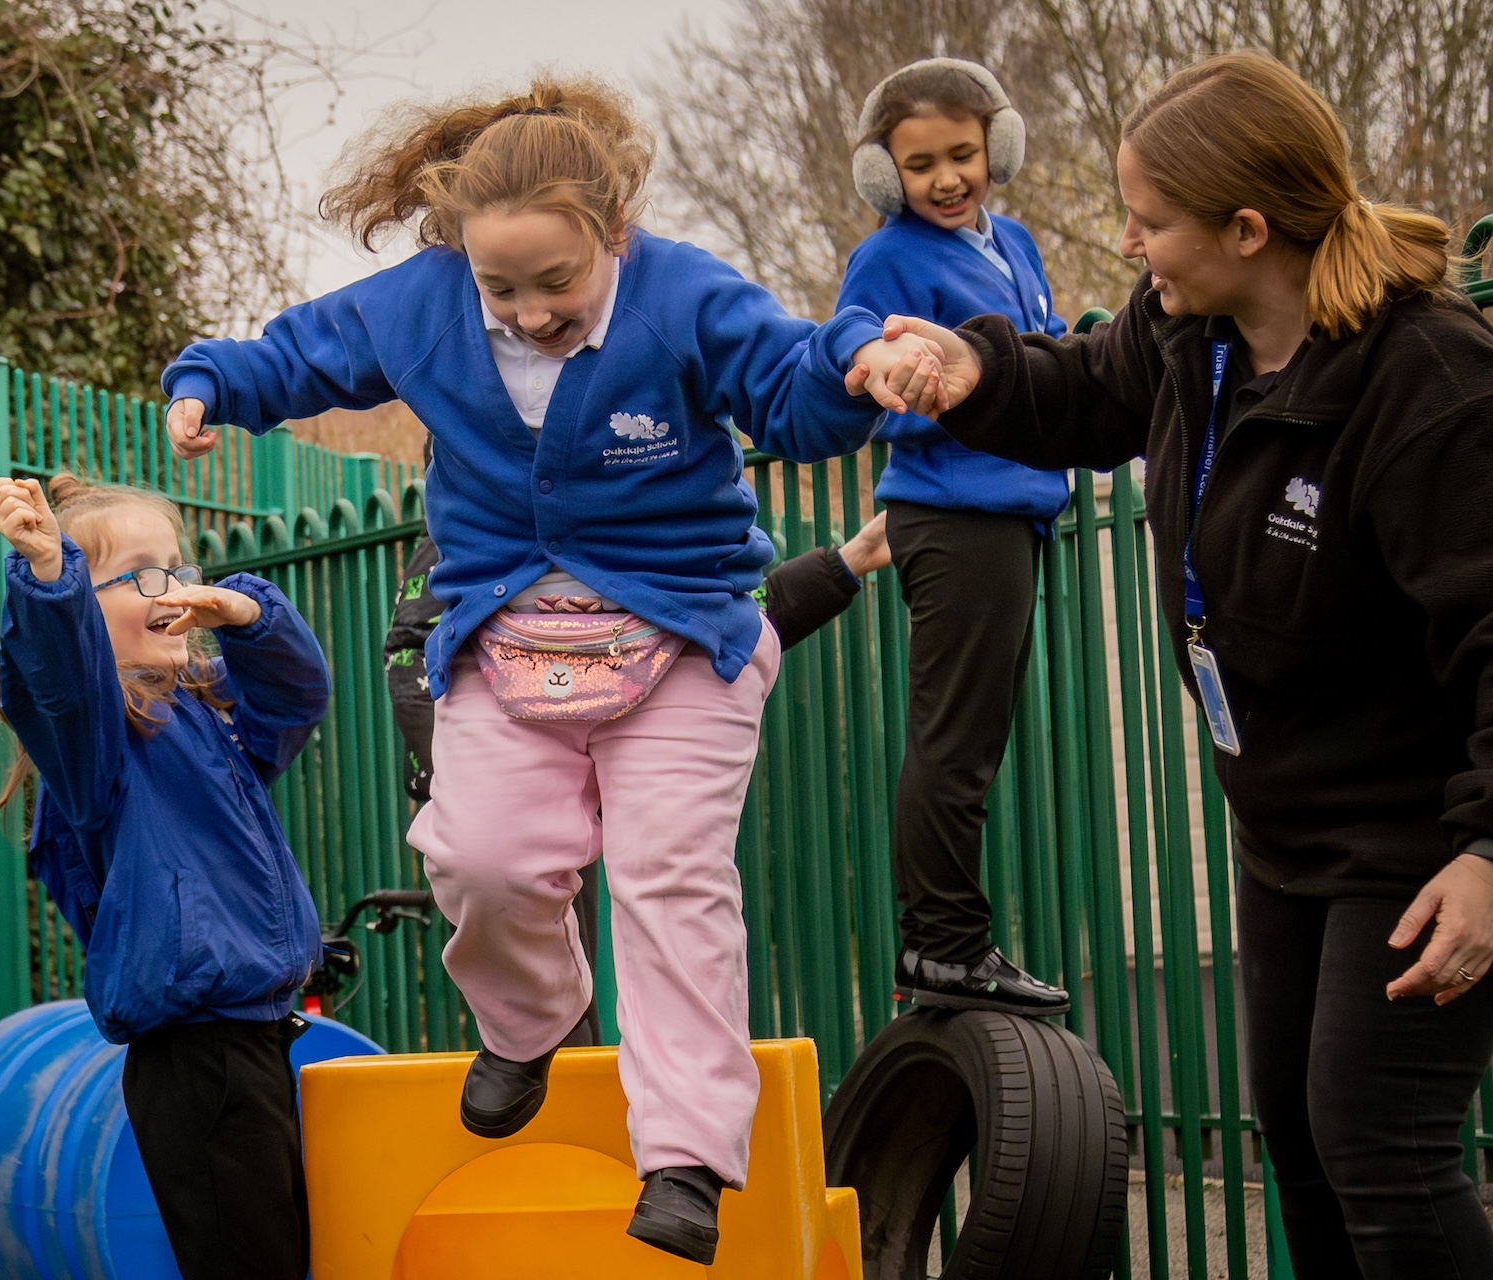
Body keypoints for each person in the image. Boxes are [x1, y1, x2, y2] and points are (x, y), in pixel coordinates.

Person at [159, 77, 936, 1264]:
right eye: (498, 288)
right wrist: (211, 381)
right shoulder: (428, 305)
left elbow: (788, 386)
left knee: (668, 876)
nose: (525, 313)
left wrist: (857, 364)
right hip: (504, 634)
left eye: (555, 284)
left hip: (683, 633)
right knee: (480, 856)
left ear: (612, 232)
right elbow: (311, 351)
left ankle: (685, 1151)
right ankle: (528, 1018)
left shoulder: (681, 294)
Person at [858, 51, 1493, 1278]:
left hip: (1421, 838)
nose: (1134, 244)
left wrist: (1486, 851)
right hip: (1286, 824)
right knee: (1304, 1142)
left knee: (1385, 1149)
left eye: (1151, 221)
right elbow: (1085, 387)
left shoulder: (1429, 378)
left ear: (1248, 228)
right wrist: (973, 369)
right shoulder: (1190, 333)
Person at [0, 473, 331, 1280]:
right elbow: (62, 681)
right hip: (195, 1057)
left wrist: (247, 612)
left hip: (255, 1036)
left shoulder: (207, 720)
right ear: (84, 618)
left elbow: (298, 698)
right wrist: (47, 575)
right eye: (141, 575)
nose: (173, 589)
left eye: (177, 567)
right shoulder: (97, 747)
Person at [383, 506, 894, 1048]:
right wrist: (479, 785)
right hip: (520, 805)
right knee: (541, 998)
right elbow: (413, 651)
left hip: (604, 798)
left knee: (661, 953)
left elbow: (701, 625)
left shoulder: (625, 510)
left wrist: (845, 563)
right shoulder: (474, 529)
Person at [837, 57, 1072, 1017]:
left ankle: (951, 943)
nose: (945, 178)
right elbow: (860, 342)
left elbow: (1047, 348)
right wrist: (900, 364)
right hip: (953, 515)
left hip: (1011, 512)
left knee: (976, 739)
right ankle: (943, 947)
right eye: (921, 163)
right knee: (954, 743)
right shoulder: (886, 256)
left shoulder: (1012, 238)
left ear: (997, 147)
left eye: (963, 155)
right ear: (886, 175)